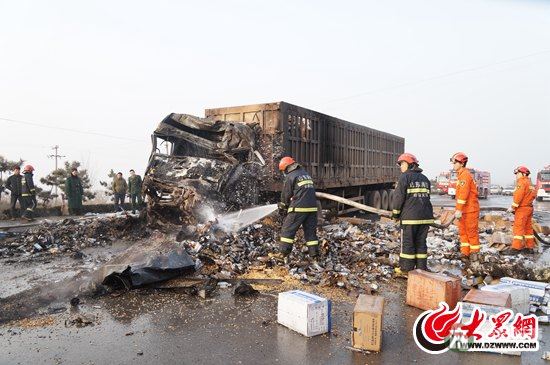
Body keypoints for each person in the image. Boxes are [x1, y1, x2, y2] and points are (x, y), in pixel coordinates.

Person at [391, 153, 434, 277]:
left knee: (408, 244)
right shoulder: (425, 178)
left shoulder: (404, 178)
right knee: (421, 243)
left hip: (410, 218)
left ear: (409, 164)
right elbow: (427, 197)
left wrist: (395, 214)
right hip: (425, 218)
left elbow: (398, 198)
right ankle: (421, 268)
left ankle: (406, 269)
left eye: (402, 164)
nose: (401, 167)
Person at [277, 156, 319, 259]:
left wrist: (283, 207)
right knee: (310, 232)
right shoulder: (305, 174)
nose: (284, 173)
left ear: (287, 168)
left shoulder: (291, 176)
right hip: (312, 208)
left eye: (284, 170)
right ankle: (314, 255)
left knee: (287, 230)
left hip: (299, 208)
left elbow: (286, 195)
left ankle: (283, 254)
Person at [450, 152, 480, 261]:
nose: (453, 165)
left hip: (470, 210)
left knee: (471, 232)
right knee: (463, 232)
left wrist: (459, 210)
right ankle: (465, 253)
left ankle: (474, 254)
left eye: (454, 163)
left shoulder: (465, 176)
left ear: (461, 163)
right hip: (465, 211)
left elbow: (463, 195)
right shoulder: (461, 175)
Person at [507, 166, 536, 254]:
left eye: (517, 173)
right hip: (529, 208)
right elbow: (533, 196)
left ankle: (515, 248)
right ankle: (530, 247)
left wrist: (512, 207)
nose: (516, 175)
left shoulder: (521, 182)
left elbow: (518, 196)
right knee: (528, 229)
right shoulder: (530, 183)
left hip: (522, 209)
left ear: (523, 174)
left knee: (518, 228)